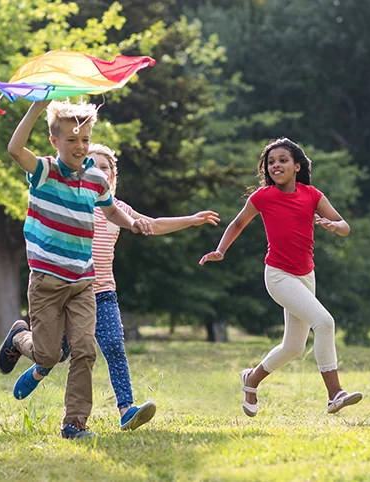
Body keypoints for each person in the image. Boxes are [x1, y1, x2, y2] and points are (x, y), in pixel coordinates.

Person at [12, 143, 219, 431]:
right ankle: (25, 347)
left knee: (112, 347)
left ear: (112, 176)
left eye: (105, 167)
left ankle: (125, 409)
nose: (98, 170)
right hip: (64, 289)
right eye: (92, 165)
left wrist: (191, 220)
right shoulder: (73, 199)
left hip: (102, 292)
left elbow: (152, 224)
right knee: (55, 352)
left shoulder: (117, 209)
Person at [0, 100, 152, 439]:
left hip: (83, 280)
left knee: (84, 350)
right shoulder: (44, 171)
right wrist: (37, 107)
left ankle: (74, 423)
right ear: (55, 141)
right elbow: (14, 148)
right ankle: (20, 337)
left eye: (85, 140)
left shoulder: (96, 178)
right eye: (72, 140)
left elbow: (111, 212)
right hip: (47, 281)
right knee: (49, 354)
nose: (81, 147)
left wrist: (132, 223)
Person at [199, 137, 363, 417]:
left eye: (283, 160)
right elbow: (238, 223)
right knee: (324, 323)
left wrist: (334, 227)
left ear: (297, 166)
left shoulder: (312, 195)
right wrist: (220, 250)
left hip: (306, 275)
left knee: (293, 346)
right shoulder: (262, 197)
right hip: (278, 275)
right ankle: (335, 394)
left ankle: (251, 380)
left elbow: (345, 226)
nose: (276, 165)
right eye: (271, 162)